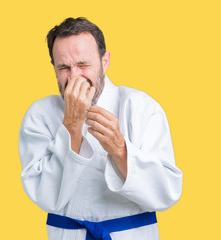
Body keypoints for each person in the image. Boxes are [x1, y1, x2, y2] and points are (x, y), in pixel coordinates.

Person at [19, 17, 183, 240]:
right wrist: (71, 126)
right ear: (54, 68)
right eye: (64, 67)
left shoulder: (141, 107)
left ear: (104, 61)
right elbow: (45, 195)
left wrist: (121, 150)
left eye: (83, 64)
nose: (75, 76)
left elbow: (167, 193)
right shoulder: (40, 115)